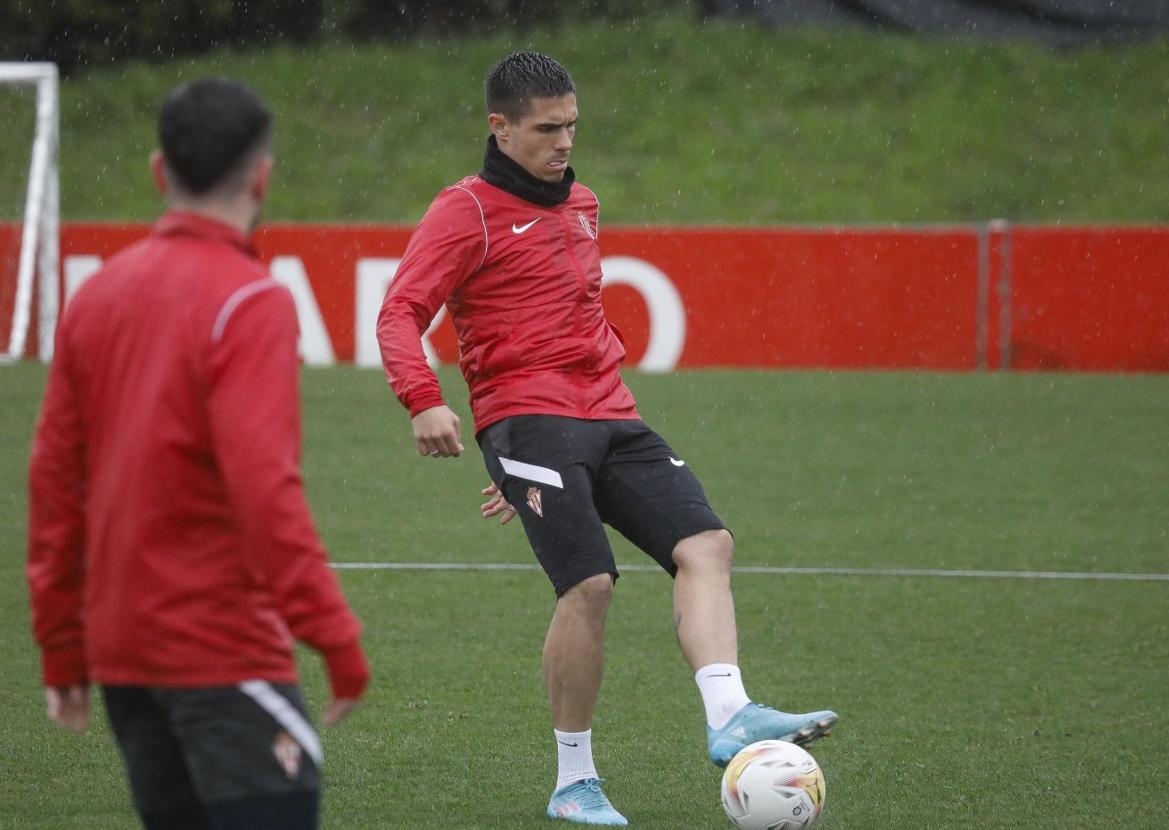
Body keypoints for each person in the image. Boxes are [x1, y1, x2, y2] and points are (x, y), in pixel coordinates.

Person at [377, 51, 835, 826]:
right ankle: (573, 782)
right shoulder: (466, 210)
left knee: (707, 544)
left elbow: (576, 318)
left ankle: (729, 713)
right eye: (547, 129)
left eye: (572, 126)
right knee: (590, 585)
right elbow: (398, 311)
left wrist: (553, 459)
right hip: (526, 415)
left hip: (608, 413)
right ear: (501, 127)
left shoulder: (583, 202)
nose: (564, 143)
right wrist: (427, 401)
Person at [27, 77, 370, 830]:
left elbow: (54, 485)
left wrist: (61, 643)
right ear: (261, 175)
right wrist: (336, 636)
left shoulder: (99, 295)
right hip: (219, 648)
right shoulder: (252, 300)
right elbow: (264, 488)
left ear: (159, 172)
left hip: (123, 655)